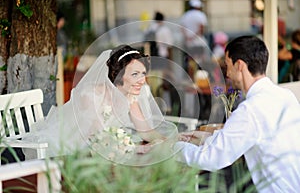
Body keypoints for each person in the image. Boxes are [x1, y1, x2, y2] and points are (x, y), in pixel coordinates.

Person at [175, 36, 300, 192]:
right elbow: (240, 135)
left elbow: (212, 158)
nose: (227, 74)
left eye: (228, 66)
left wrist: (174, 148)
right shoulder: (286, 95)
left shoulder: (250, 109)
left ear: (239, 65)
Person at [23, 45, 178, 166]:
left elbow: (145, 131)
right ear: (117, 75)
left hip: (104, 149)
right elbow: (99, 140)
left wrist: (169, 142)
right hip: (73, 147)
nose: (141, 80)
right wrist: (140, 149)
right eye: (135, 74)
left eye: (143, 74)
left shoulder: (131, 95)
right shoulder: (91, 95)